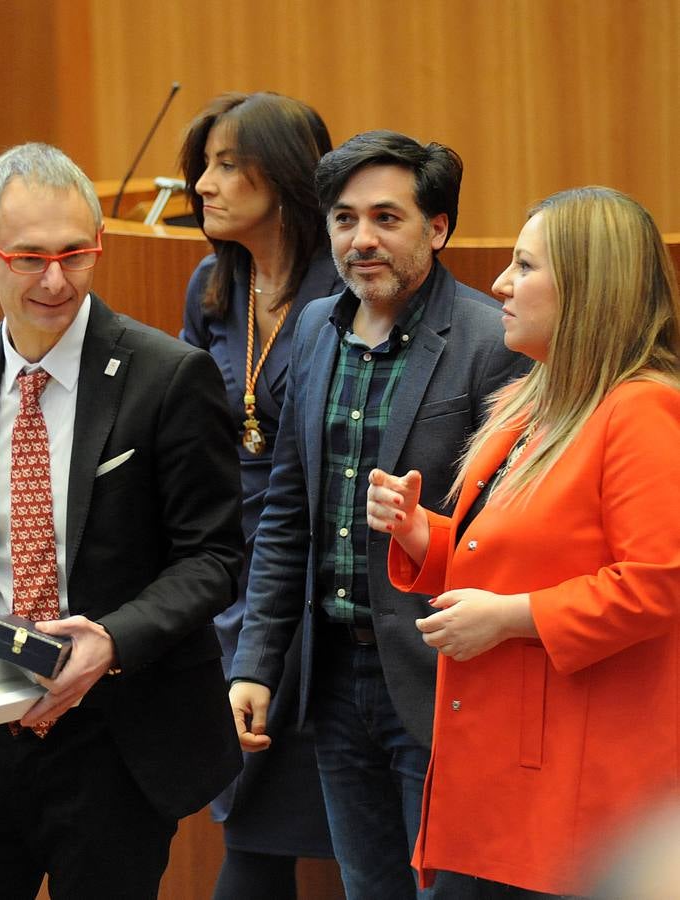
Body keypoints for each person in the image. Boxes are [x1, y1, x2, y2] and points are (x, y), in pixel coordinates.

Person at [0, 141, 243, 900]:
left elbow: (212, 558)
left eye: (76, 255)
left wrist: (111, 641)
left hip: (115, 738)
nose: (55, 280)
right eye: (29, 257)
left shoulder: (168, 378)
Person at [228, 130, 531, 899]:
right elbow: (287, 514)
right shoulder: (313, 325)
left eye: (387, 218)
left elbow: (517, 532)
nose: (361, 239)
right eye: (344, 218)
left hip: (443, 675)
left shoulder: (491, 341)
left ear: (437, 228)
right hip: (332, 674)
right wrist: (258, 661)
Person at [366, 186, 680, 897]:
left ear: (589, 287)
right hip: (501, 762)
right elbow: (511, 556)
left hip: (575, 780)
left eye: (525, 266)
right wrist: (423, 535)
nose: (501, 284)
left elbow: (658, 583)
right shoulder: (531, 400)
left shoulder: (643, 409)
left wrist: (511, 619)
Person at [177, 91, 339, 899]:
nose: (204, 183)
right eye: (203, 164)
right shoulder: (215, 282)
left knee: (334, 834)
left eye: (227, 164)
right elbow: (178, 428)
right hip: (222, 571)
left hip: (309, 582)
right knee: (247, 824)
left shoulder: (341, 293)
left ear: (285, 175)